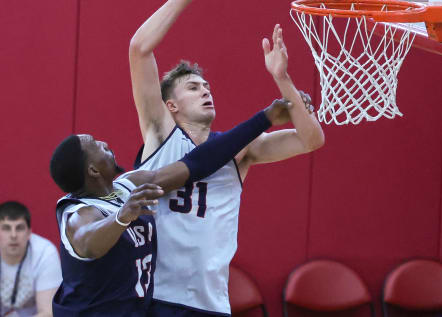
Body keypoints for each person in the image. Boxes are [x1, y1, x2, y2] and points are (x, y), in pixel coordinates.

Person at [128, 0, 324, 316]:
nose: (205, 90)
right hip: (157, 298)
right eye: (192, 87)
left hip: (212, 302)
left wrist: (283, 80)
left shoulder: (239, 150)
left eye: (206, 86)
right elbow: (139, 49)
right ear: (170, 105)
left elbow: (311, 140)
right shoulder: (159, 132)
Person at [49, 100, 291, 317]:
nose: (103, 142)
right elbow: (87, 243)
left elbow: (196, 163)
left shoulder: (128, 186)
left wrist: (265, 118)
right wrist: (121, 217)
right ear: (93, 170)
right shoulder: (79, 213)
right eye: (95, 144)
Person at [0, 201, 61, 317]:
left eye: (19, 228)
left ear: (29, 232)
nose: (13, 235)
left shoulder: (45, 253)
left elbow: (48, 313)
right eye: (6, 228)